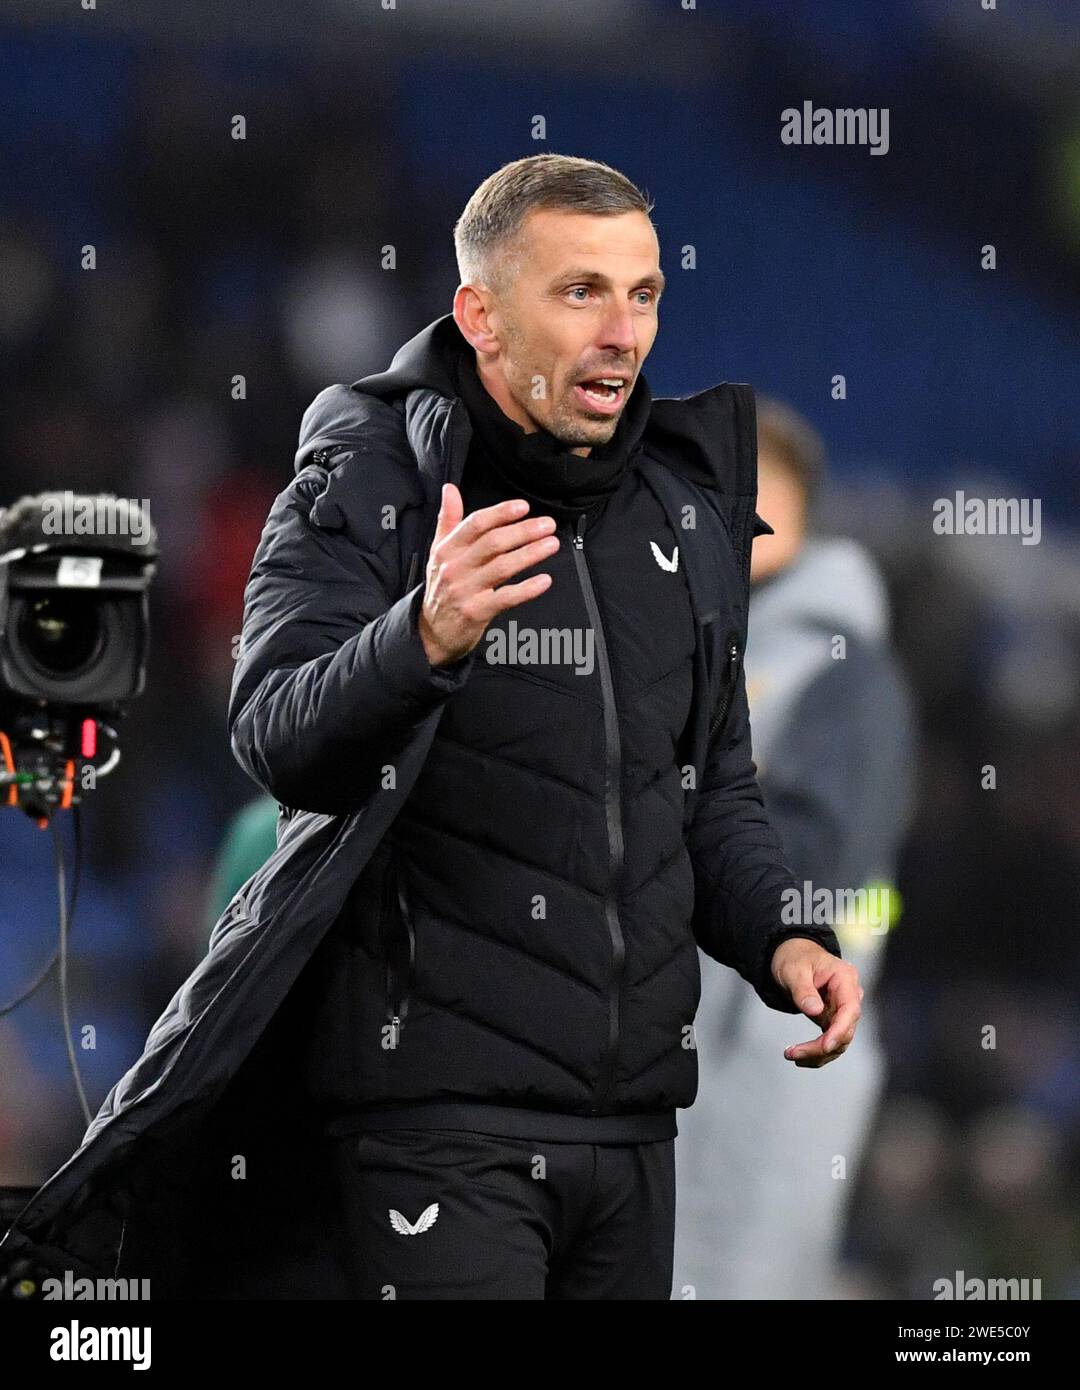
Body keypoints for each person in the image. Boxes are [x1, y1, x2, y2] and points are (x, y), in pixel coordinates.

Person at [0, 154, 861, 1300]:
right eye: (581, 292)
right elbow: (276, 735)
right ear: (482, 316)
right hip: (434, 1119)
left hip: (637, 1125)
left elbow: (713, 790)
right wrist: (424, 637)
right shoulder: (372, 470)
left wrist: (779, 936)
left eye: (644, 294)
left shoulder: (682, 513)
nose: (623, 331)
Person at [672, 399, 916, 1299]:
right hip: (682, 1057)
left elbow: (814, 869)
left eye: (752, 486)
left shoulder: (839, 668)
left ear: (802, 508)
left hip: (769, 1061)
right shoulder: (695, 649)